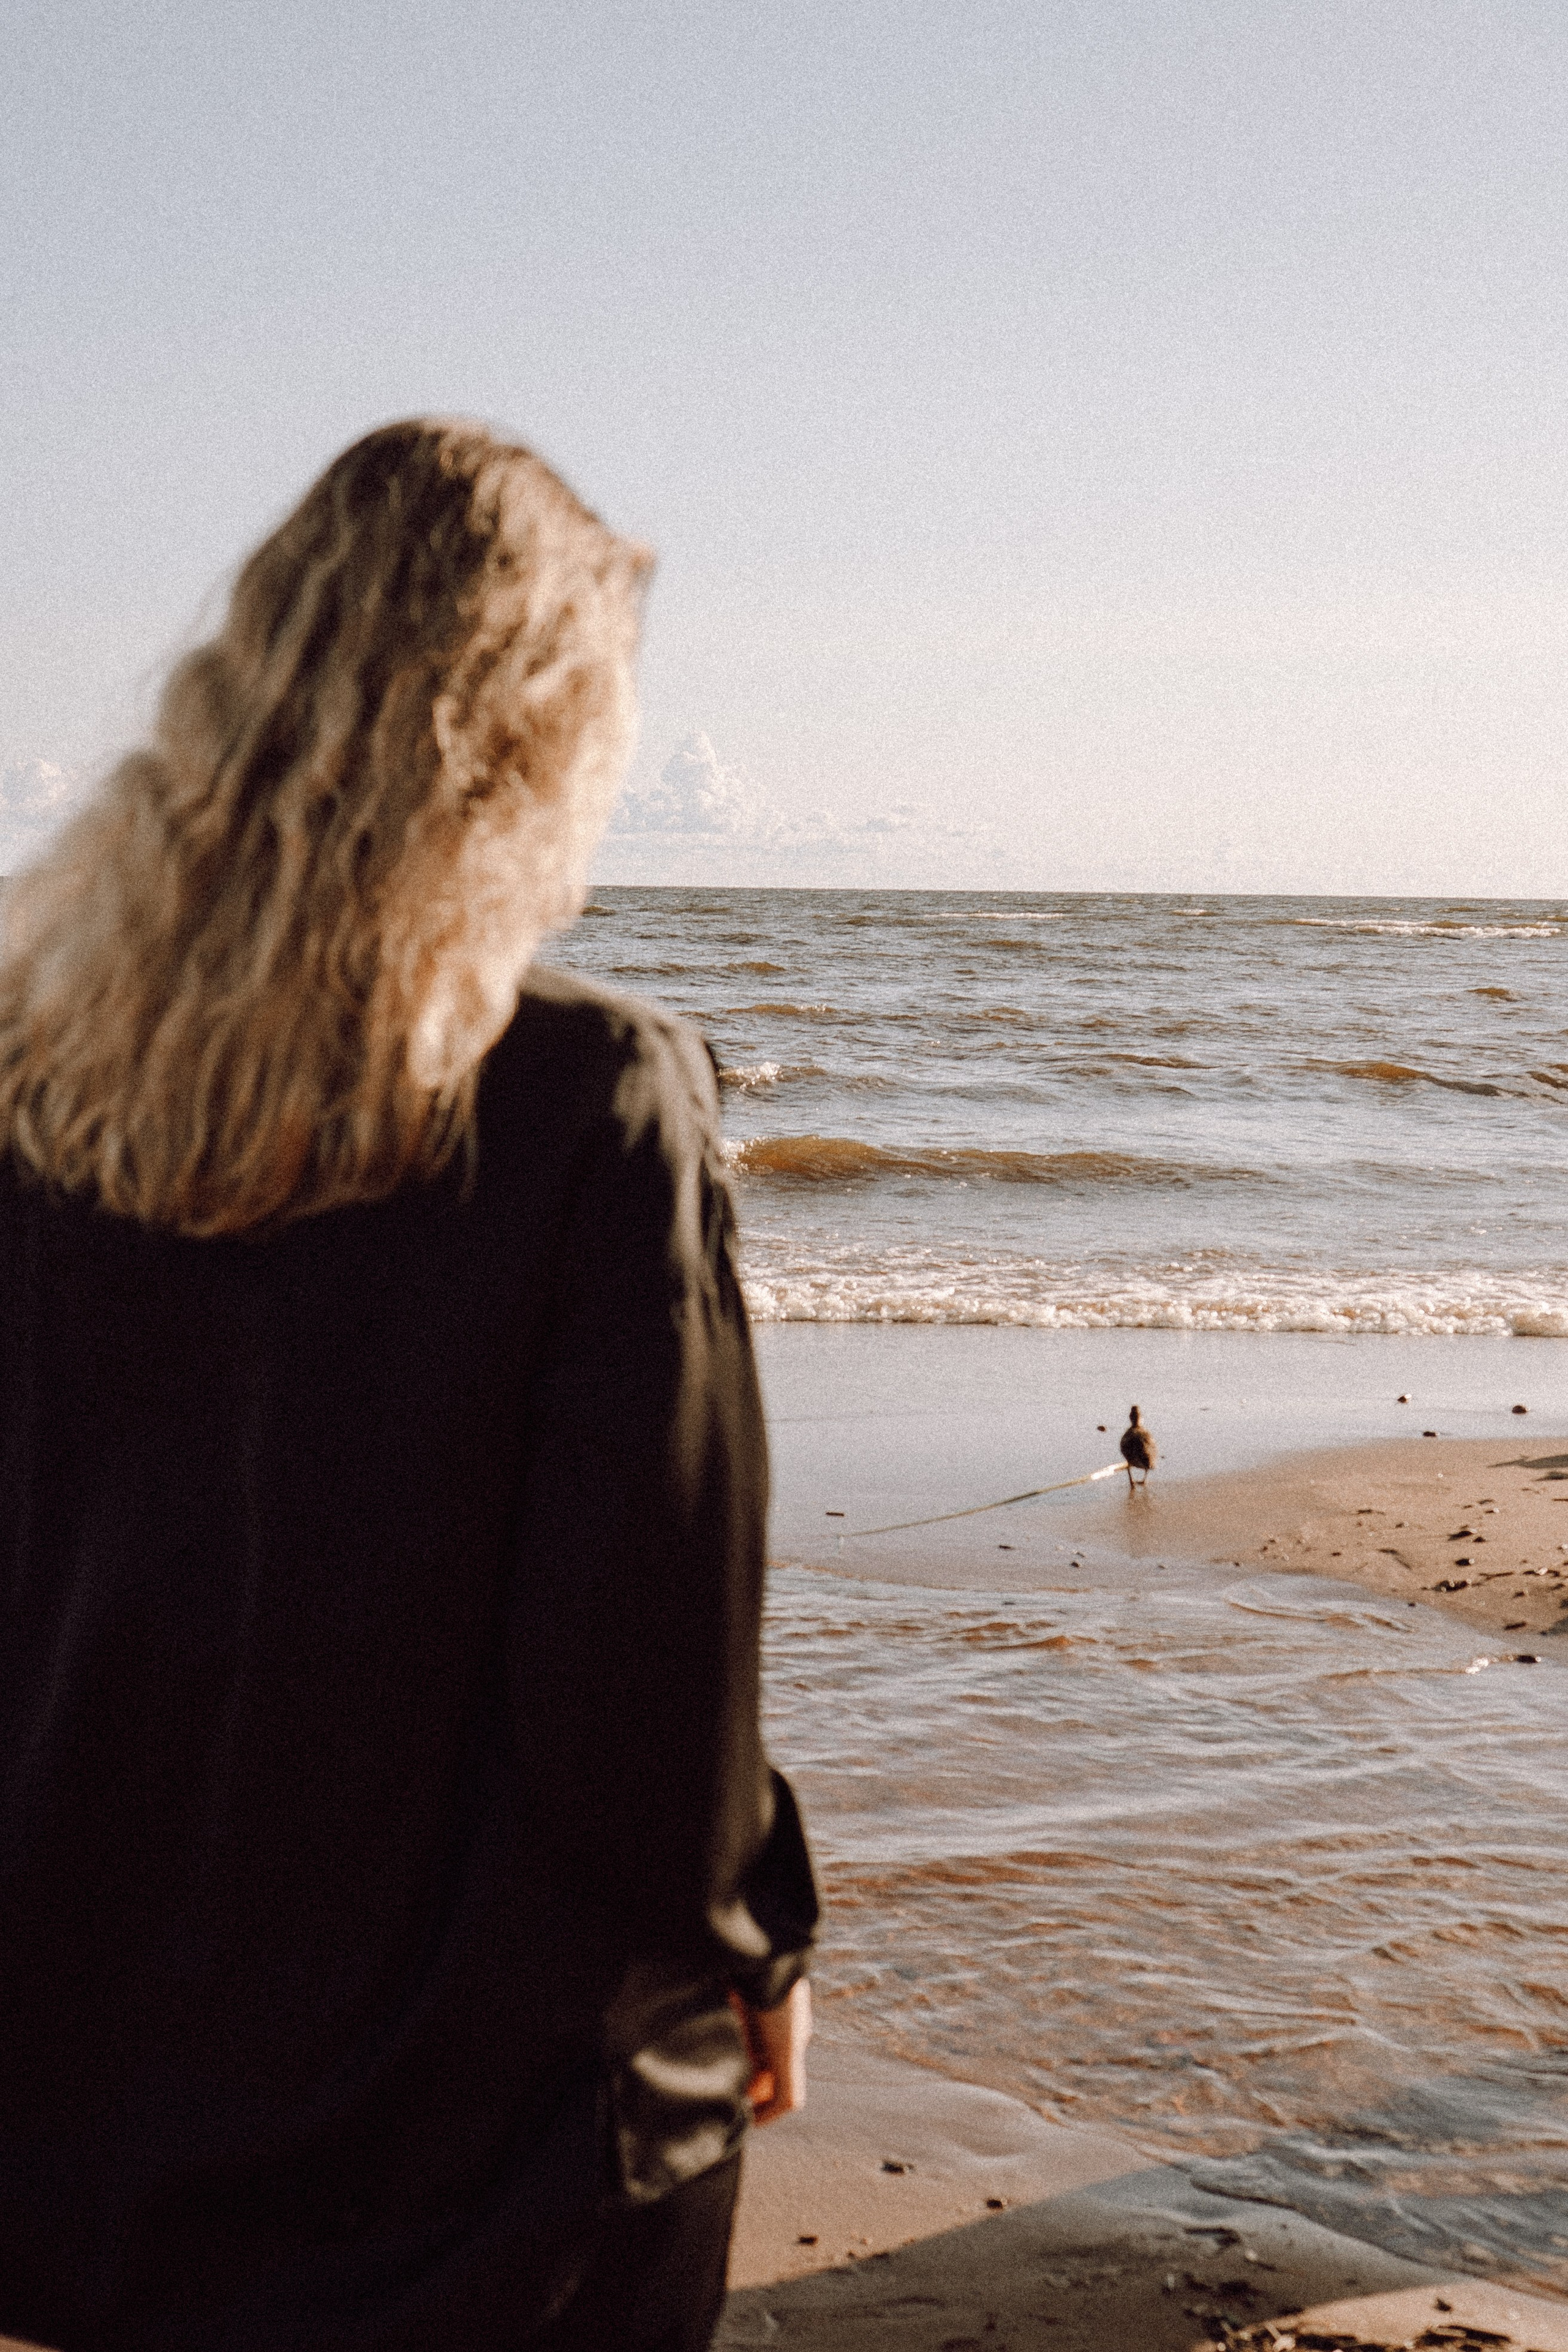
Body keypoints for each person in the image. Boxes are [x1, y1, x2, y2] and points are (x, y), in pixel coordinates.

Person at [0, 420, 817, 2352]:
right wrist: (763, 1946)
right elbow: (643, 1695)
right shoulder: (591, 1103)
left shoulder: (35, 1098)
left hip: (95, 2113)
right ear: (529, 742)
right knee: (674, 2063)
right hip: (475, 2149)